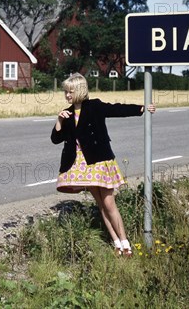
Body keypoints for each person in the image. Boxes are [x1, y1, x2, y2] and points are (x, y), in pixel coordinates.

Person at [51, 73, 156, 257]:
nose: (67, 95)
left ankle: (126, 244)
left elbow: (117, 109)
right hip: (82, 165)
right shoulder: (66, 114)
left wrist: (142, 109)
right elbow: (56, 139)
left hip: (100, 160)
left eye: (70, 91)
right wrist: (59, 120)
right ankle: (116, 243)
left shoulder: (95, 106)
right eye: (66, 92)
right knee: (100, 204)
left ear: (80, 90)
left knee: (109, 203)